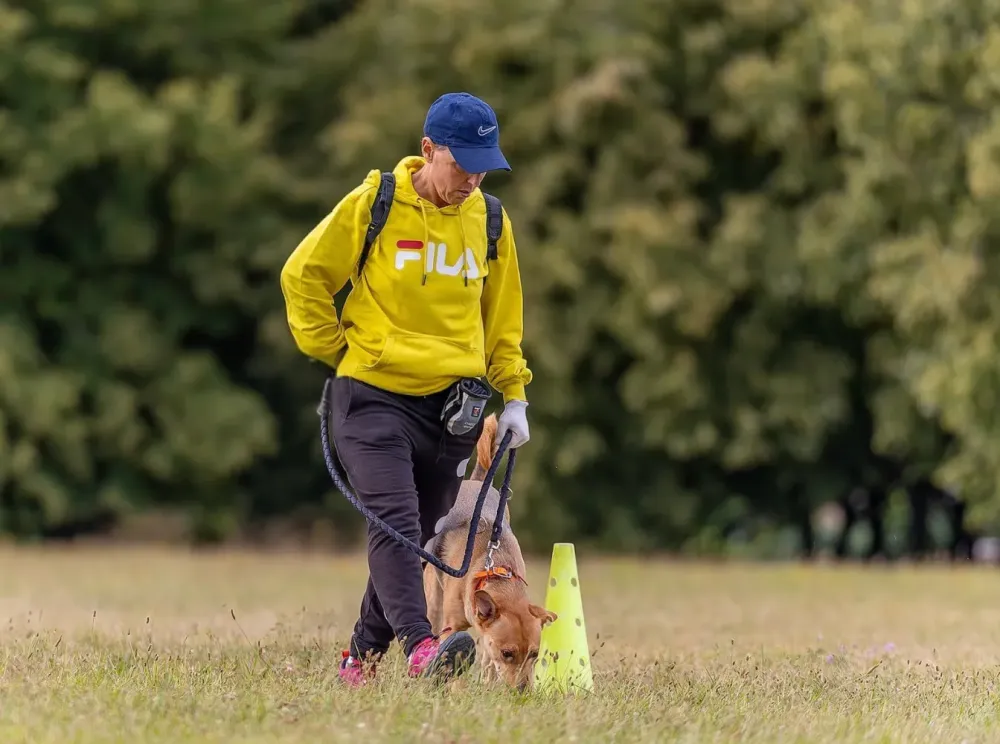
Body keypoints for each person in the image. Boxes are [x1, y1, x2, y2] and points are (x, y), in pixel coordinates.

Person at [279, 92, 532, 686]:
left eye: (482, 165)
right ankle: (424, 649)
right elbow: (304, 275)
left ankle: (357, 662)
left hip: (452, 410)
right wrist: (339, 348)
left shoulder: (491, 221)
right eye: (461, 162)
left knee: (414, 532)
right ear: (427, 151)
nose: (472, 177)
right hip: (371, 398)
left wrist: (514, 394)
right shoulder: (376, 205)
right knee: (392, 520)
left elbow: (503, 321)